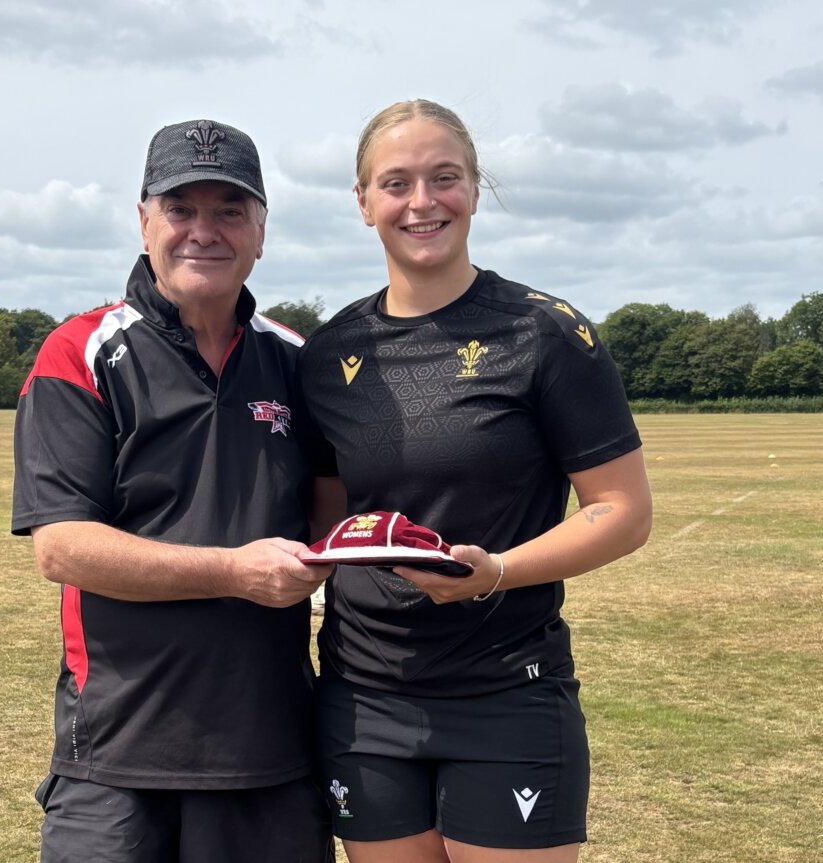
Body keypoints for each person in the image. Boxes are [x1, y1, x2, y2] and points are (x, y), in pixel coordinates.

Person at [297, 100, 653, 863]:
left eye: (445, 177)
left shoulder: (546, 333)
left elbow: (623, 510)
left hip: (507, 689)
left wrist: (496, 571)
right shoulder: (328, 353)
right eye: (396, 182)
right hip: (364, 697)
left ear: (475, 188)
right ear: (363, 201)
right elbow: (331, 522)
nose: (422, 201)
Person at [12, 118, 334, 863]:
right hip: (118, 751)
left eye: (230, 210)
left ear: (261, 230)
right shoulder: (80, 351)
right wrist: (234, 571)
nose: (204, 231)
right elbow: (63, 547)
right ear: (144, 221)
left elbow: (333, 512)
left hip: (270, 748)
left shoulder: (298, 362)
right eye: (181, 208)